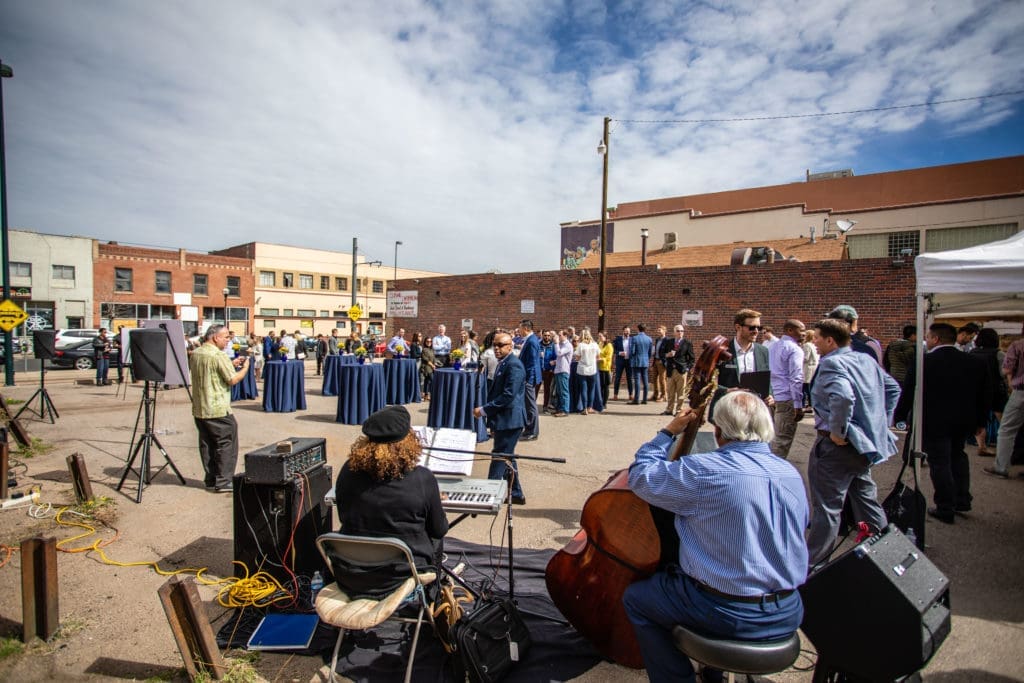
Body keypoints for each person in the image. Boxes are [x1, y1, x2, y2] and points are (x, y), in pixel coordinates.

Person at [623, 392, 808, 683]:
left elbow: (641, 476)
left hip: (728, 613)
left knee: (637, 599)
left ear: (719, 432)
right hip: (788, 609)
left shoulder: (706, 471)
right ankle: (713, 670)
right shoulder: (789, 473)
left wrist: (667, 432)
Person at [806, 318, 901, 566]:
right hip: (863, 446)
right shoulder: (865, 359)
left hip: (836, 447)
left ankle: (814, 565)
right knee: (866, 499)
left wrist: (839, 431)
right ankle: (885, 556)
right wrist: (876, 422)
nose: (813, 342)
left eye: (816, 338)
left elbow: (844, 397)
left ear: (830, 340)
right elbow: (892, 389)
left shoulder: (832, 363)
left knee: (827, 508)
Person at [333, 405, 449, 598]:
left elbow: (343, 515)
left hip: (350, 573)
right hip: (402, 576)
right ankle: (432, 597)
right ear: (408, 442)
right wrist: (434, 500)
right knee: (435, 537)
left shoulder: (348, 471)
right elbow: (439, 529)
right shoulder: (422, 479)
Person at [897, 324, 988, 524]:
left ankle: (945, 506)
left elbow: (909, 392)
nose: (927, 340)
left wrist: (900, 416)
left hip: (934, 420)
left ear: (936, 339)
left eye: (928, 336)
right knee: (958, 456)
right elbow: (982, 395)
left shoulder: (924, 362)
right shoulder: (974, 362)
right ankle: (962, 499)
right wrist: (981, 421)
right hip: (963, 420)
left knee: (940, 462)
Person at [189, 325, 250, 492]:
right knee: (226, 443)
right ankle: (224, 481)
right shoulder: (218, 355)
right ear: (215, 337)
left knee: (207, 443)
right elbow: (232, 379)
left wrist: (230, 363)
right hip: (217, 408)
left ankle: (211, 478)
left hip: (200, 407)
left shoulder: (197, 353)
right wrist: (245, 368)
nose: (228, 340)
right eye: (225, 337)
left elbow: (212, 370)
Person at [474, 332, 527, 505]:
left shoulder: (514, 365)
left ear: (510, 346)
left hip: (511, 420)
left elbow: (508, 396)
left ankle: (489, 493)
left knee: (499, 456)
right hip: (504, 419)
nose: (496, 348)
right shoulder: (503, 363)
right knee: (507, 456)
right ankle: (517, 493)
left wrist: (484, 410)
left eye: (501, 345)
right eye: (494, 345)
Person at [709, 309, 771, 422]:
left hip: (755, 412)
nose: (756, 331)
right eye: (752, 327)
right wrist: (726, 391)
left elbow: (766, 378)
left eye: (759, 328)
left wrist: (770, 395)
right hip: (729, 411)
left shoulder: (763, 351)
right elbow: (708, 383)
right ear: (738, 327)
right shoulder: (721, 351)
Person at [985, 334, 1024, 480]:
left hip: (1020, 392)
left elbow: (1007, 369)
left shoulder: (1018, 345)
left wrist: (1010, 382)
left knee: (1007, 430)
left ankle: (1001, 467)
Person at [768, 319, 806, 459]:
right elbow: (796, 378)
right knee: (782, 440)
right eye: (801, 330)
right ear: (790, 330)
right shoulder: (794, 349)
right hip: (787, 398)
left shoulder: (773, 346)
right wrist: (798, 404)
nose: (804, 333)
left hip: (773, 396)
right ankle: (774, 472)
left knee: (771, 437)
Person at [971, 328, 1008, 456]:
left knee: (979, 420)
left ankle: (982, 446)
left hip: (976, 390)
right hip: (996, 389)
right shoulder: (999, 354)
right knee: (1003, 420)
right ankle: (1007, 448)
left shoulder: (972, 352)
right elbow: (1004, 372)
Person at [518, 320, 543, 441]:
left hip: (529, 379)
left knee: (530, 405)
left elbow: (532, 363)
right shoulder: (531, 339)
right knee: (528, 405)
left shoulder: (532, 341)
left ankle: (532, 431)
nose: (519, 331)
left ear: (526, 328)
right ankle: (529, 428)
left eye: (520, 328)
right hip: (529, 378)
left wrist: (528, 380)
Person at [663, 325, 695, 416]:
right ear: (674, 332)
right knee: (670, 391)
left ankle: (679, 410)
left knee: (681, 392)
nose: (680, 332)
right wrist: (667, 355)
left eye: (682, 331)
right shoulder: (669, 342)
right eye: (678, 331)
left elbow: (692, 358)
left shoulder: (687, 343)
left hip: (681, 370)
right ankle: (669, 409)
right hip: (670, 370)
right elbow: (662, 354)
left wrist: (687, 368)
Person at [883, 325, 917, 395]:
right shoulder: (914, 347)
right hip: (908, 378)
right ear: (913, 335)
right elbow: (914, 363)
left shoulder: (892, 346)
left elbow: (886, 362)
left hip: (894, 376)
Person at [574, 328, 600, 415]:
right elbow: (598, 357)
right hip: (592, 369)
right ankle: (590, 407)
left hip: (582, 369)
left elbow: (577, 357)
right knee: (591, 389)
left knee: (583, 389)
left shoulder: (581, 345)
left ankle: (584, 408)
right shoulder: (595, 345)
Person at [629, 323, 653, 405]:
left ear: (638, 329)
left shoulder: (634, 338)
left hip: (636, 361)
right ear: (645, 329)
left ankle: (636, 399)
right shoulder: (649, 339)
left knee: (637, 380)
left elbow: (632, 351)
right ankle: (644, 399)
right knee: (645, 380)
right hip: (645, 361)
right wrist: (647, 358)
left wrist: (631, 357)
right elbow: (650, 352)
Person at [552, 329, 573, 417]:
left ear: (565, 336)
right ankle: (560, 409)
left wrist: (556, 343)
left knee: (564, 391)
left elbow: (559, 353)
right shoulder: (560, 344)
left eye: (560, 335)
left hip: (564, 370)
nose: (558, 337)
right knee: (559, 391)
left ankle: (565, 410)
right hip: (558, 370)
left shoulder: (568, 345)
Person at [612, 326, 634, 401]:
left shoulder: (632, 340)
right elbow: (614, 350)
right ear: (623, 331)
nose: (627, 332)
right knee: (617, 378)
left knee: (629, 379)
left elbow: (634, 350)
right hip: (620, 361)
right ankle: (615, 394)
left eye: (628, 331)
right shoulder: (618, 339)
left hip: (629, 361)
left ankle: (631, 395)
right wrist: (619, 353)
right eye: (626, 331)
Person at [651, 325, 670, 402]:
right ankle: (655, 395)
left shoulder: (667, 340)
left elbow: (668, 352)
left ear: (664, 331)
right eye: (657, 330)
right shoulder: (657, 340)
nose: (658, 331)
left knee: (662, 379)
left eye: (660, 330)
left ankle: (664, 395)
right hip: (656, 360)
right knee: (654, 379)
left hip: (662, 362)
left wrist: (664, 360)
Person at [801, 329, 819, 408]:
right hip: (813, 366)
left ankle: (806, 404)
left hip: (808, 368)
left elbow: (806, 357)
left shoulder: (807, 345)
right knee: (810, 386)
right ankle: (811, 403)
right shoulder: (814, 345)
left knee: (805, 387)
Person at [597, 331, 614, 407]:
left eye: (601, 336)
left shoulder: (609, 346)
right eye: (599, 336)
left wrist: (601, 359)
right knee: (600, 386)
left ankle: (604, 402)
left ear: (605, 337)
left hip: (606, 368)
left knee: (605, 386)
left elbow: (609, 357)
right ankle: (600, 401)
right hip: (599, 368)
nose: (599, 338)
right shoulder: (599, 344)